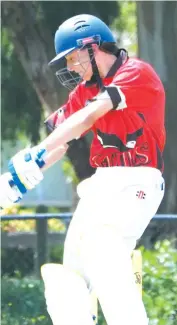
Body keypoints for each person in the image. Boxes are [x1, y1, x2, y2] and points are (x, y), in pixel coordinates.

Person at [0, 14, 166, 325]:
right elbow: (60, 141)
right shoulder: (84, 92)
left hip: (138, 181)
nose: (72, 67)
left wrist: (39, 151)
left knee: (101, 245)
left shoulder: (136, 73)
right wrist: (15, 181)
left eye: (73, 58)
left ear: (92, 47)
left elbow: (87, 118)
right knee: (67, 278)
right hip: (101, 183)